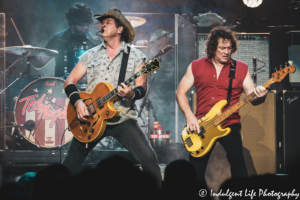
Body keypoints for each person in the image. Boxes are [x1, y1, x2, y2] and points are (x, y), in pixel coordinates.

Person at [62, 7, 162, 188]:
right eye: (101, 23)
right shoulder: (90, 54)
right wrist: (77, 103)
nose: (102, 25)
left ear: (120, 29)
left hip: (122, 118)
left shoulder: (136, 56)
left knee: (149, 160)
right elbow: (70, 81)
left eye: (107, 23)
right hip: (91, 119)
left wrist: (131, 93)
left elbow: (141, 88)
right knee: (69, 167)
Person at [175, 26, 268, 188]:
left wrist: (261, 96)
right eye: (222, 48)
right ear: (212, 48)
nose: (226, 52)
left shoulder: (241, 68)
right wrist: (190, 115)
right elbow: (180, 92)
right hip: (202, 124)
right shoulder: (196, 65)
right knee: (196, 171)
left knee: (238, 163)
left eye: (229, 48)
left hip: (229, 122)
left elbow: (252, 98)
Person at [36, 3, 102, 78]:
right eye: (83, 24)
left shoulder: (96, 41)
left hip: (90, 87)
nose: (86, 27)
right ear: (73, 23)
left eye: (87, 24)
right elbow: (40, 62)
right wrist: (31, 53)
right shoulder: (58, 39)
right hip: (61, 86)